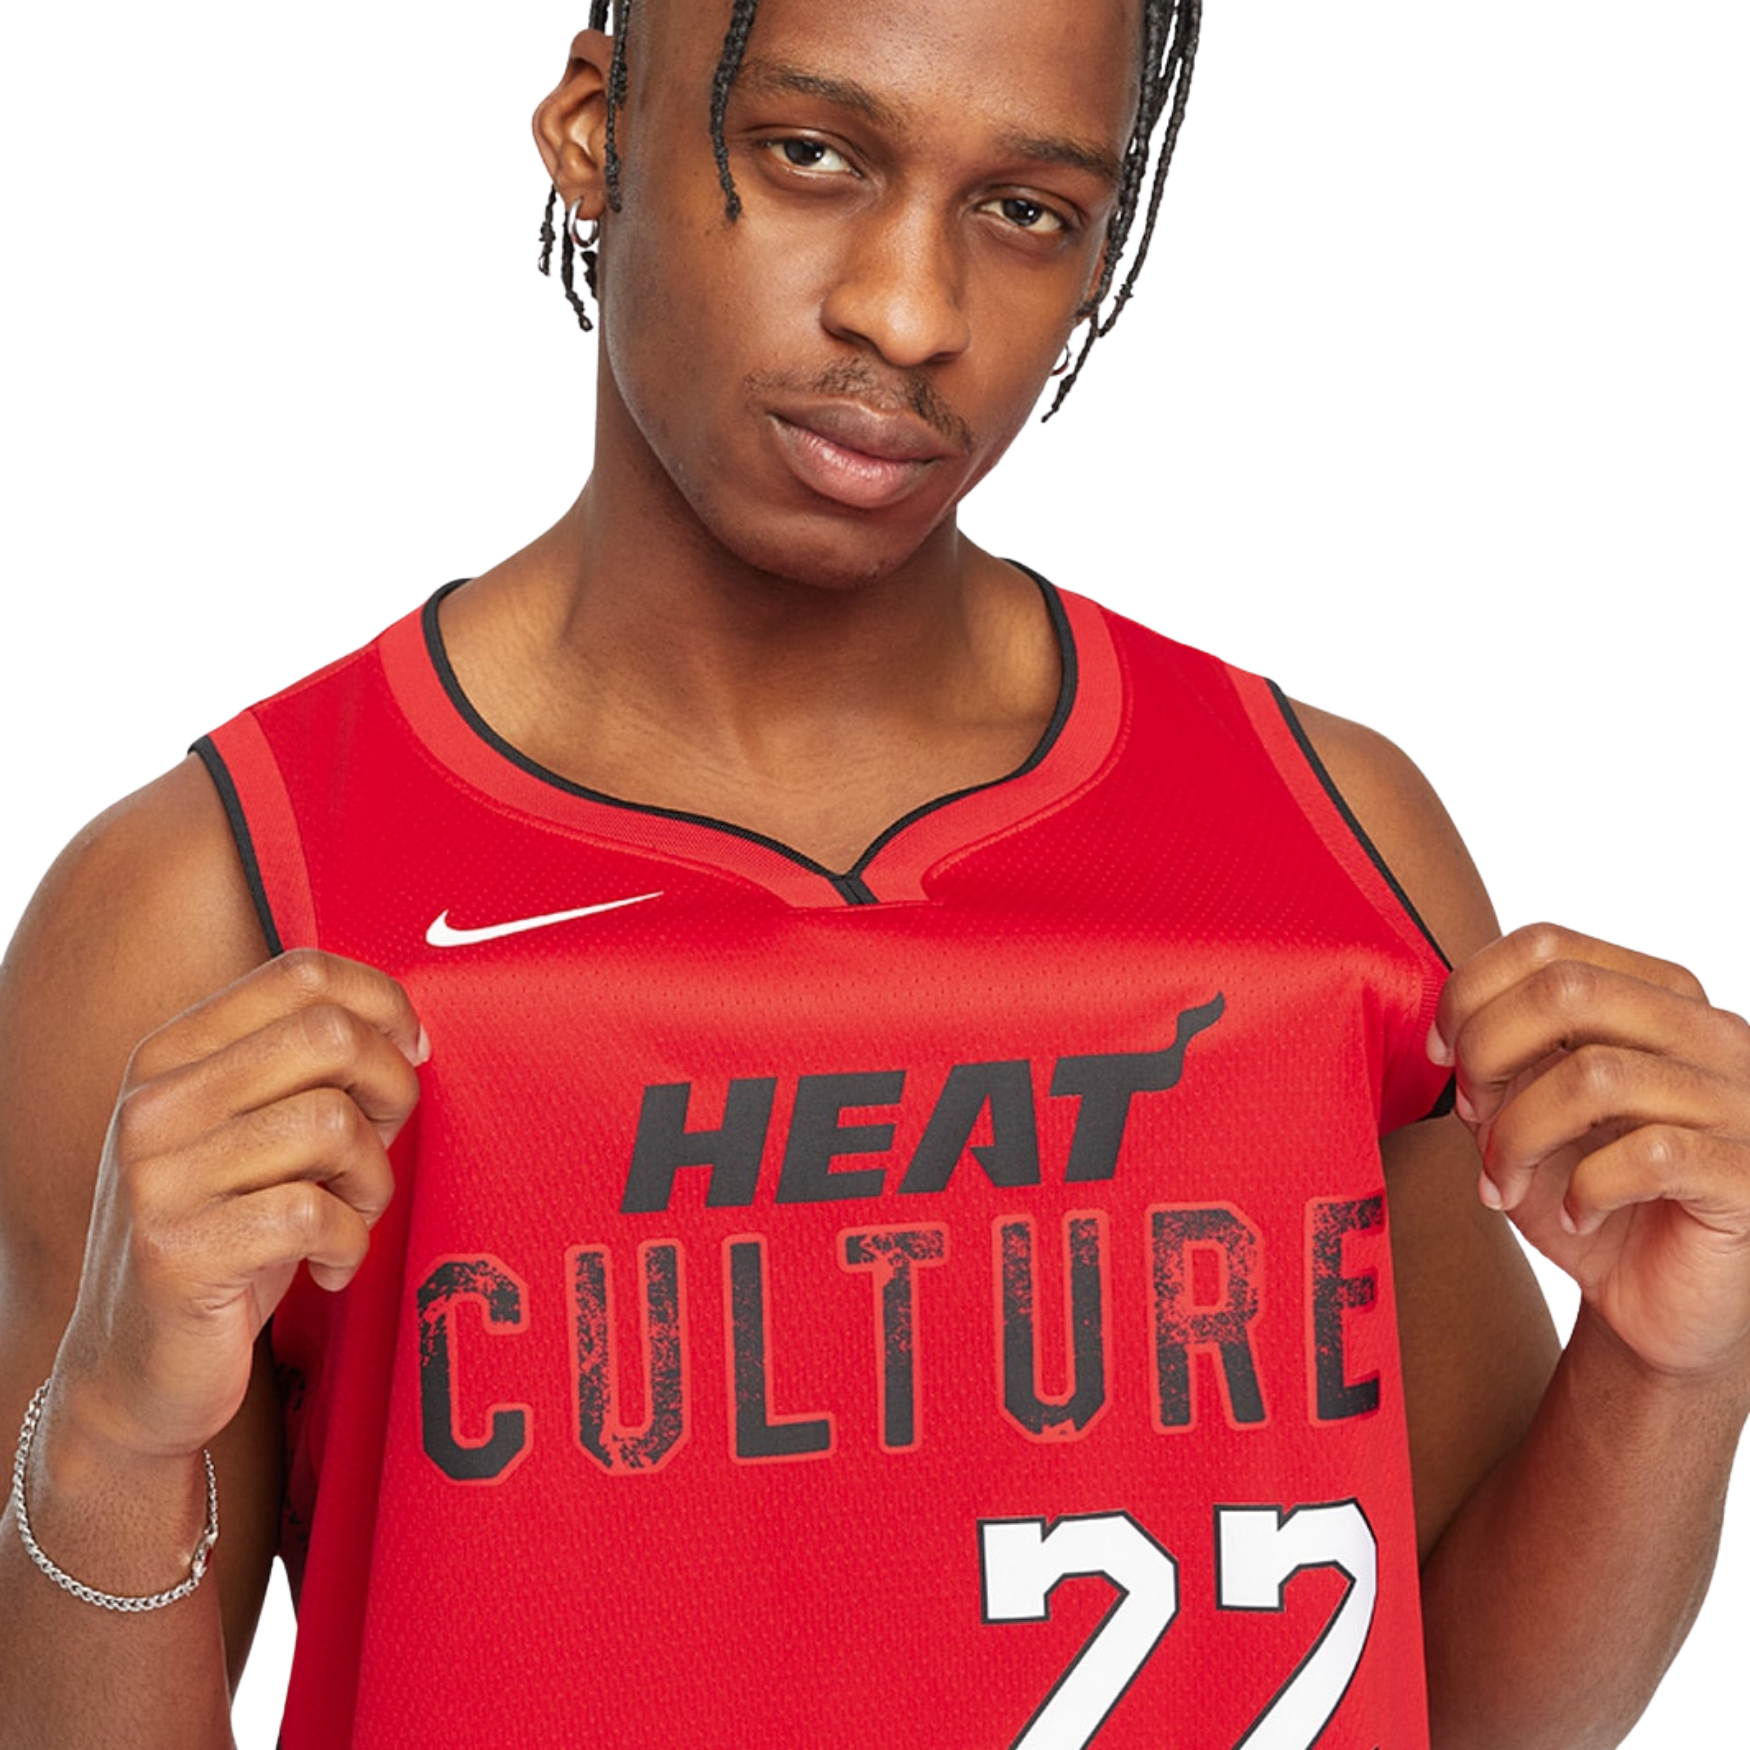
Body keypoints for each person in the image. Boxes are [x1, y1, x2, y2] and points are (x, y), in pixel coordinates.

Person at [2, 3, 1746, 1746]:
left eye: (1025, 209)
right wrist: (110, 1441)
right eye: (811, 156)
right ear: (597, 132)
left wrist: (1677, 1362)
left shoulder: (1323, 837)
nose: (908, 316)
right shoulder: (212, 912)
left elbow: (1461, 1712)